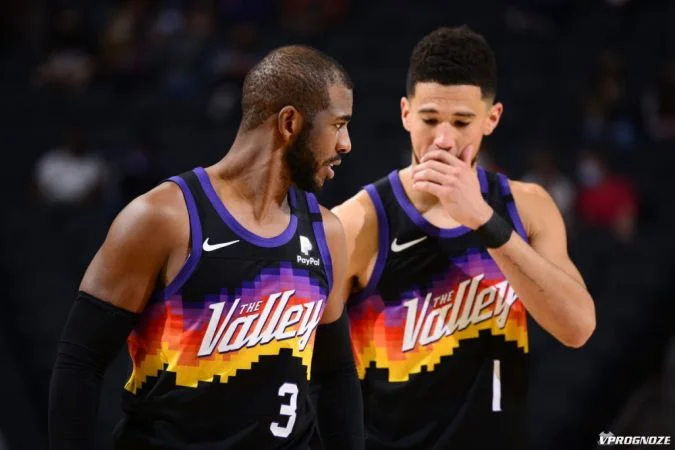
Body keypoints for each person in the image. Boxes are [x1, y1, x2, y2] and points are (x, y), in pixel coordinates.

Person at [49, 45, 364, 450]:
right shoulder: (162, 217)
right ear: (289, 122)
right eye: (338, 125)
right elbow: (81, 361)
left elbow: (335, 375)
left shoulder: (326, 231)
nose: (346, 144)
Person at [333, 26, 596, 450]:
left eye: (461, 122)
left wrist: (484, 221)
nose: (443, 139)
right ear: (405, 113)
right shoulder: (359, 221)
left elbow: (578, 328)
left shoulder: (527, 207)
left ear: (492, 119)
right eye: (429, 119)